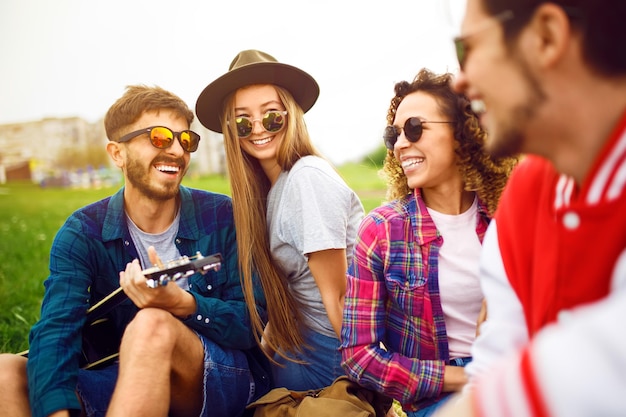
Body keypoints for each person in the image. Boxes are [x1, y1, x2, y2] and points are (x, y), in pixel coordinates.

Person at [0, 85, 269, 417]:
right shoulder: (82, 232)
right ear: (117, 153)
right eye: (159, 137)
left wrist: (185, 305)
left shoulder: (222, 215)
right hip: (132, 376)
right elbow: (57, 328)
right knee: (5, 373)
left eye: (185, 141)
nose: (176, 150)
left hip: (222, 379)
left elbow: (254, 324)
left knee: (151, 325)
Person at [432, 0, 626, 416]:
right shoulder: (523, 196)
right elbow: (496, 357)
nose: (460, 81)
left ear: (547, 37)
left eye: (468, 49)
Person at [339, 68, 517, 417]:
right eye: (394, 134)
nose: (402, 144)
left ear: (464, 134)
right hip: (439, 399)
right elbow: (358, 355)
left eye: (415, 128)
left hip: (515, 375)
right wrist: (462, 377)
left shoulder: (509, 219)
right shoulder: (382, 231)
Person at [194, 50, 364, 391]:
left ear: (291, 114)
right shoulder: (271, 189)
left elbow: (340, 298)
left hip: (330, 351)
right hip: (299, 345)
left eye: (271, 116)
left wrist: (371, 389)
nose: (257, 129)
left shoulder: (307, 179)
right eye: (243, 121)